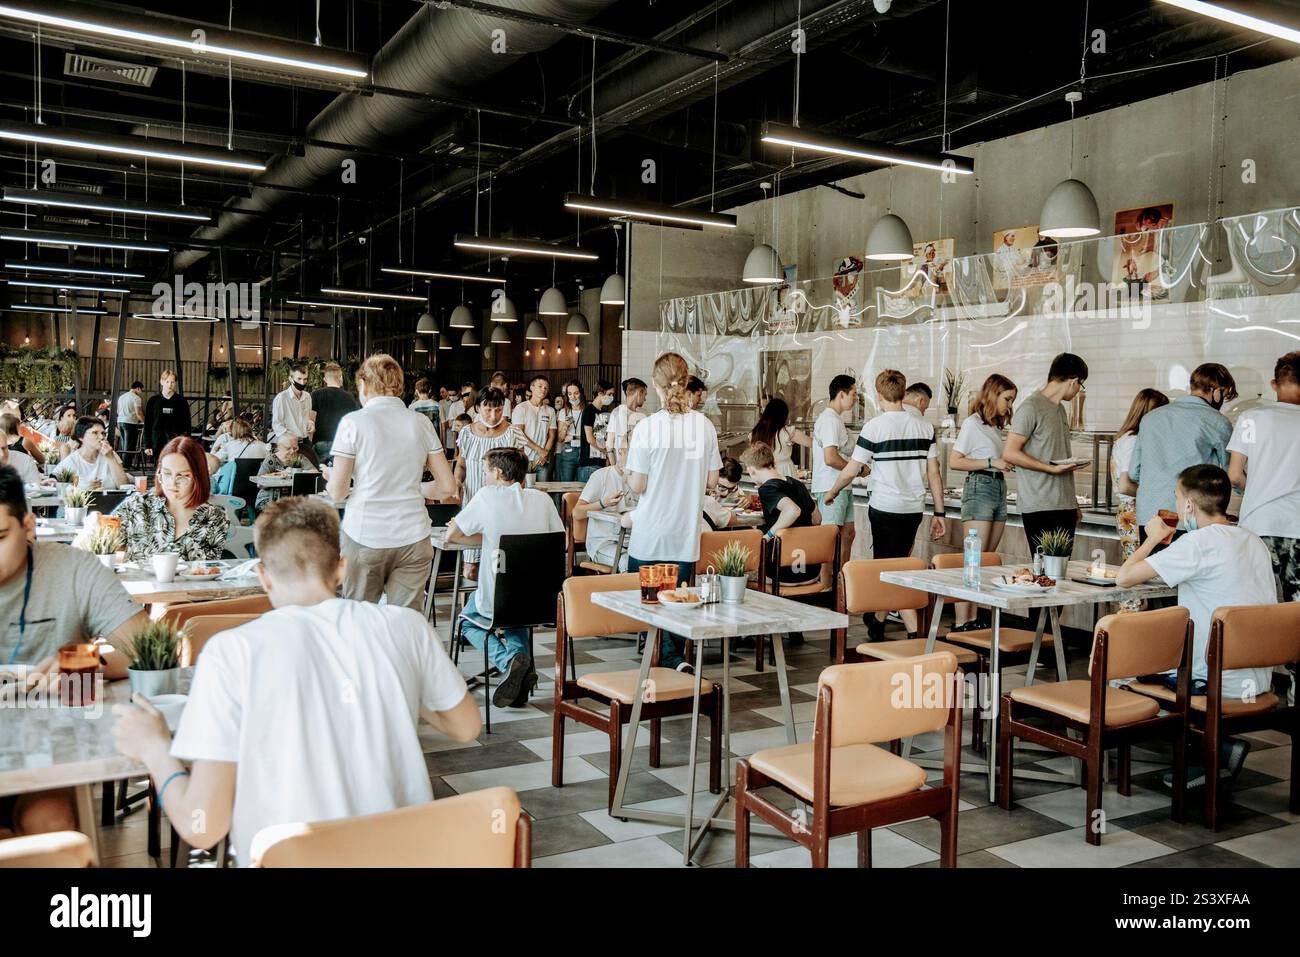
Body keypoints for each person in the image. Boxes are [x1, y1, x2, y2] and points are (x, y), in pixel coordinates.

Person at [111, 495, 480, 867]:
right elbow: (465, 727)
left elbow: (202, 826)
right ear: (340, 569)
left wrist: (155, 749)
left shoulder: (231, 652)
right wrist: (394, 683)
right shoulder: (406, 626)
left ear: (263, 575)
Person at [0, 467, 144, 841]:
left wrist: (84, 662)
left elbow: (152, 647)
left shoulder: (73, 570)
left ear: (28, 527)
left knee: (54, 826)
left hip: (43, 758)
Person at [1117, 464, 1275, 786]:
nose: (1177, 505)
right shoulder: (1253, 541)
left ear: (1188, 505)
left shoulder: (1197, 543)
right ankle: (1217, 747)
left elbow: (1124, 578)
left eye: (1177, 498)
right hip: (1257, 679)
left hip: (1218, 684)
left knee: (1122, 674)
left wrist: (1153, 538)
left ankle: (1201, 754)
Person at [325, 355, 457, 610]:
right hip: (414, 536)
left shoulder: (353, 422)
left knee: (361, 622)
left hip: (366, 534)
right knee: (405, 626)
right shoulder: (420, 423)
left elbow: (338, 493)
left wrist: (332, 478)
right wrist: (411, 488)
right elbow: (447, 487)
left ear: (364, 384)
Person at [823, 370, 946, 641]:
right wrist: (939, 512)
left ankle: (914, 631)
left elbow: (851, 469)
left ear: (879, 396)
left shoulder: (875, 427)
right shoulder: (925, 428)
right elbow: (934, 474)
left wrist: (832, 492)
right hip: (913, 509)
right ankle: (877, 618)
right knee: (896, 563)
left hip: (884, 507)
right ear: (904, 393)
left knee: (890, 568)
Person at [625, 352, 722, 674]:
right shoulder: (704, 426)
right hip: (684, 532)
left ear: (655, 384)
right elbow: (711, 480)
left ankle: (667, 664)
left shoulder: (647, 427)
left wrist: (628, 472)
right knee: (677, 605)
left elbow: (638, 485)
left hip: (650, 533)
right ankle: (674, 662)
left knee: (650, 605)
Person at [445, 448, 564, 707]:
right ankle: (520, 674)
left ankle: (508, 661)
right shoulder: (542, 500)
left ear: (497, 473)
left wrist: (489, 537)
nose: (485, 475)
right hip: (540, 601)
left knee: (466, 622)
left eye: (486, 470)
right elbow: (559, 541)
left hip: (498, 599)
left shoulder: (487, 496)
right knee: (515, 618)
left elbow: (451, 535)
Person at [1130, 362, 1236, 541]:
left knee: (1152, 567)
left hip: (1149, 516)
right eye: (1224, 395)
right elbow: (1231, 473)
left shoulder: (1150, 418)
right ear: (1216, 391)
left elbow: (1134, 471)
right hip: (1192, 515)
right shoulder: (1216, 421)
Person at [946, 374, 1018, 629]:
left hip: (998, 487)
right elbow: (955, 461)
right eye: (1007, 398)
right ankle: (961, 621)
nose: (1009, 405)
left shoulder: (993, 427)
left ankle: (974, 618)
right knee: (973, 559)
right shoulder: (972, 423)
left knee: (985, 560)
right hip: (980, 486)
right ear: (993, 394)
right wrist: (991, 462)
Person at [1228, 350, 1300, 604]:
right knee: (1296, 603)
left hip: (1258, 523)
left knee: (1258, 602)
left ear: (1274, 384)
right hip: (1297, 524)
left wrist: (1258, 488)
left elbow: (1235, 475)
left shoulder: (1251, 419)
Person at [1001, 352, 1089, 554]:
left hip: (1063, 504)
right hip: (1039, 504)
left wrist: (1072, 501)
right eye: (1080, 385)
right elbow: (1010, 453)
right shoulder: (1031, 408)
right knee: (1045, 571)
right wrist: (1050, 469)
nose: (1078, 390)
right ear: (1073, 381)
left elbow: (1060, 454)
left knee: (1060, 568)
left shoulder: (1060, 410)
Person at [112, 437, 229, 562]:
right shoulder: (137, 505)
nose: (172, 483)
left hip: (188, 582)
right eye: (167, 474)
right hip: (139, 580)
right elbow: (106, 549)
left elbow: (207, 570)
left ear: (199, 477)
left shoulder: (215, 517)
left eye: (183, 476)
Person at [1111, 388, 1171, 611]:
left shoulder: (1129, 438)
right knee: (1136, 569)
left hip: (1133, 510)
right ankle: (1130, 621)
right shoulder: (1132, 441)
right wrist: (1156, 493)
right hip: (1133, 510)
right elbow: (1126, 484)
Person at [453, 388, 520, 579]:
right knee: (470, 569)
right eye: (488, 410)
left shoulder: (511, 433)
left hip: (502, 509)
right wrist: (457, 480)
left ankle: (494, 604)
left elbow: (517, 471)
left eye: (498, 410)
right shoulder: (467, 433)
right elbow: (461, 465)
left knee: (498, 567)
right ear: (477, 408)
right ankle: (477, 603)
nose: (493, 415)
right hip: (473, 505)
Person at [743, 441, 821, 588]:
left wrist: (769, 535)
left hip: (782, 574)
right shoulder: (797, 484)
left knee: (734, 571)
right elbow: (817, 519)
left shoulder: (767, 488)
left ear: (752, 470)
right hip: (811, 572)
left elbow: (793, 511)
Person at [811, 375, 858, 566]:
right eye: (854, 394)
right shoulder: (830, 420)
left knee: (848, 533)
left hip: (842, 486)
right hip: (831, 486)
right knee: (830, 538)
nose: (856, 399)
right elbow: (830, 458)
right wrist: (857, 469)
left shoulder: (836, 420)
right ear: (841, 394)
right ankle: (827, 586)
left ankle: (842, 581)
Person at [310, 362, 360, 463]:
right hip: (341, 444)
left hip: (320, 443)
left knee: (320, 475)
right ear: (341, 377)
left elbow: (311, 421)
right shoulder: (350, 397)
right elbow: (355, 423)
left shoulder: (315, 395)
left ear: (325, 379)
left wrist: (310, 443)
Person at [751, 396, 812, 479]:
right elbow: (813, 443)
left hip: (763, 472)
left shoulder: (755, 432)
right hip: (784, 472)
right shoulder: (787, 432)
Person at [510, 375, 557, 482]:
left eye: (546, 387)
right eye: (540, 386)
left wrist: (545, 454)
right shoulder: (521, 408)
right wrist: (539, 450)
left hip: (542, 460)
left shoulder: (550, 411)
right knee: (524, 492)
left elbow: (552, 435)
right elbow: (519, 433)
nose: (543, 389)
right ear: (531, 388)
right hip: (524, 459)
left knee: (543, 492)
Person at [64, 416, 128, 490]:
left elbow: (124, 486)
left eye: (103, 433)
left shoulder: (110, 453)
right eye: (95, 433)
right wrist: (86, 489)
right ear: (81, 437)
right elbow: (62, 489)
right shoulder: (72, 460)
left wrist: (110, 457)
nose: (101, 437)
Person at [255, 433, 314, 513]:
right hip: (269, 498)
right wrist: (278, 475)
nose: (292, 451)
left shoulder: (299, 458)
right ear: (279, 446)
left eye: (295, 448)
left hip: (292, 498)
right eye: (288, 448)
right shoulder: (271, 460)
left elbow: (314, 472)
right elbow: (259, 483)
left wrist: (297, 473)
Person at [144, 370, 190, 461]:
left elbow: (187, 425)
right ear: (161, 382)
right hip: (157, 443)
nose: (170, 385)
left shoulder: (182, 402)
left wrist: (185, 444)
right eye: (167, 382)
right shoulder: (153, 401)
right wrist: (147, 445)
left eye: (172, 382)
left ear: (175, 383)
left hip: (175, 443)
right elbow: (147, 424)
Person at [270, 362, 314, 450]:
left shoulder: (307, 396)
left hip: (305, 441)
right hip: (289, 444)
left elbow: (308, 417)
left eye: (305, 379)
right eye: (299, 379)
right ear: (290, 378)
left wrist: (311, 423)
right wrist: (290, 438)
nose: (302, 382)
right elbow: (277, 425)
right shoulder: (282, 398)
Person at [606, 378, 648, 469]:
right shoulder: (617, 413)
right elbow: (609, 444)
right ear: (639, 392)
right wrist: (615, 468)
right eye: (644, 394)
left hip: (639, 467)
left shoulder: (644, 414)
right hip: (622, 467)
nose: (645, 399)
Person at [579, 380, 613, 482]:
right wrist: (607, 451)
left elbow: (603, 437)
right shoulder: (589, 411)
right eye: (609, 394)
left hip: (601, 462)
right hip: (589, 463)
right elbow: (590, 438)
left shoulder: (604, 413)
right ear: (600, 394)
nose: (611, 397)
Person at [554, 380, 588, 482]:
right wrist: (565, 426)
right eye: (570, 394)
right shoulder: (563, 412)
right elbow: (560, 439)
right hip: (569, 450)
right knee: (566, 484)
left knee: (583, 486)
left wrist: (574, 437)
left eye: (576, 393)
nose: (573, 397)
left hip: (584, 449)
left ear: (581, 393)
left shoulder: (587, 411)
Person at [115, 381, 144, 455]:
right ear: (138, 388)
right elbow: (138, 413)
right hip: (130, 423)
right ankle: (127, 465)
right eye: (141, 390)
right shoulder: (136, 398)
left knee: (124, 444)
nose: (141, 392)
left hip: (120, 422)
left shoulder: (121, 397)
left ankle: (123, 464)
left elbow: (117, 411)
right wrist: (145, 421)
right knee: (129, 446)